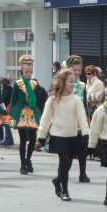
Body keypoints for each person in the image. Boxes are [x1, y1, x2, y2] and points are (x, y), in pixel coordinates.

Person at [36, 69, 90, 201]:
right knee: (64, 162)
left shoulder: (76, 99)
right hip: (58, 136)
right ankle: (65, 191)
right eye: (71, 81)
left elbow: (82, 118)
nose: (73, 84)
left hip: (72, 136)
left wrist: (86, 135)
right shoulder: (53, 99)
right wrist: (41, 137)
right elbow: (45, 119)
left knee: (67, 165)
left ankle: (57, 180)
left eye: (74, 82)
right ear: (62, 82)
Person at [9, 55, 45, 175]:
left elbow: (39, 99)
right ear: (22, 71)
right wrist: (12, 115)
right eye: (26, 72)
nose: (29, 74)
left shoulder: (35, 84)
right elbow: (13, 101)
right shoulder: (17, 84)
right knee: (23, 140)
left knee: (33, 139)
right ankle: (23, 164)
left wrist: (39, 112)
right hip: (21, 115)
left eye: (30, 71)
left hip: (33, 114)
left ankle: (28, 159)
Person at [66, 55, 90, 182]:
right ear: (69, 69)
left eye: (79, 70)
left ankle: (83, 173)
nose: (77, 72)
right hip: (69, 120)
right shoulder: (65, 84)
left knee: (83, 149)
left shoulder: (82, 85)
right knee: (68, 150)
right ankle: (63, 174)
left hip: (81, 121)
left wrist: (87, 117)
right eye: (74, 70)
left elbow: (85, 102)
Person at [0, 77, 15, 146]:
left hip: (7, 110)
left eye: (3, 82)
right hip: (7, 109)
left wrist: (4, 109)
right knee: (6, 125)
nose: (2, 84)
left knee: (6, 124)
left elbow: (3, 100)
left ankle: (9, 140)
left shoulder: (7, 90)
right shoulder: (6, 89)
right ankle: (8, 139)